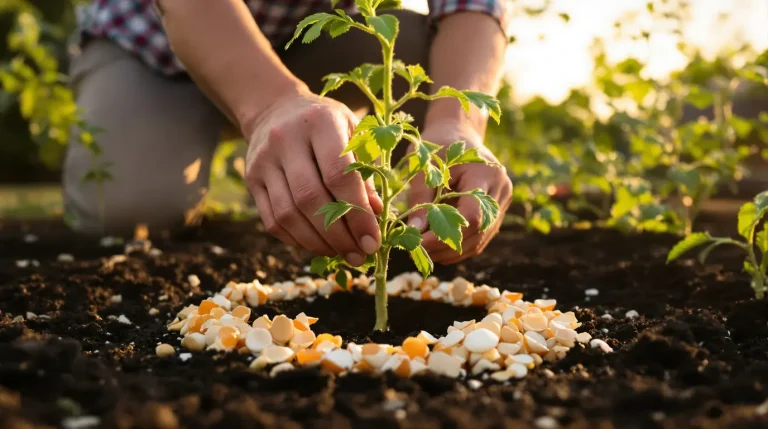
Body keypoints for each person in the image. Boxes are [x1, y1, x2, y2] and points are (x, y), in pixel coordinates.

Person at [63, 0, 513, 266]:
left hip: (306, 41)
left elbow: (472, 5)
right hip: (152, 45)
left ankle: (359, 206)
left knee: (414, 48)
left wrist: (457, 123)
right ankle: (267, 147)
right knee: (125, 210)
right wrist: (267, 106)